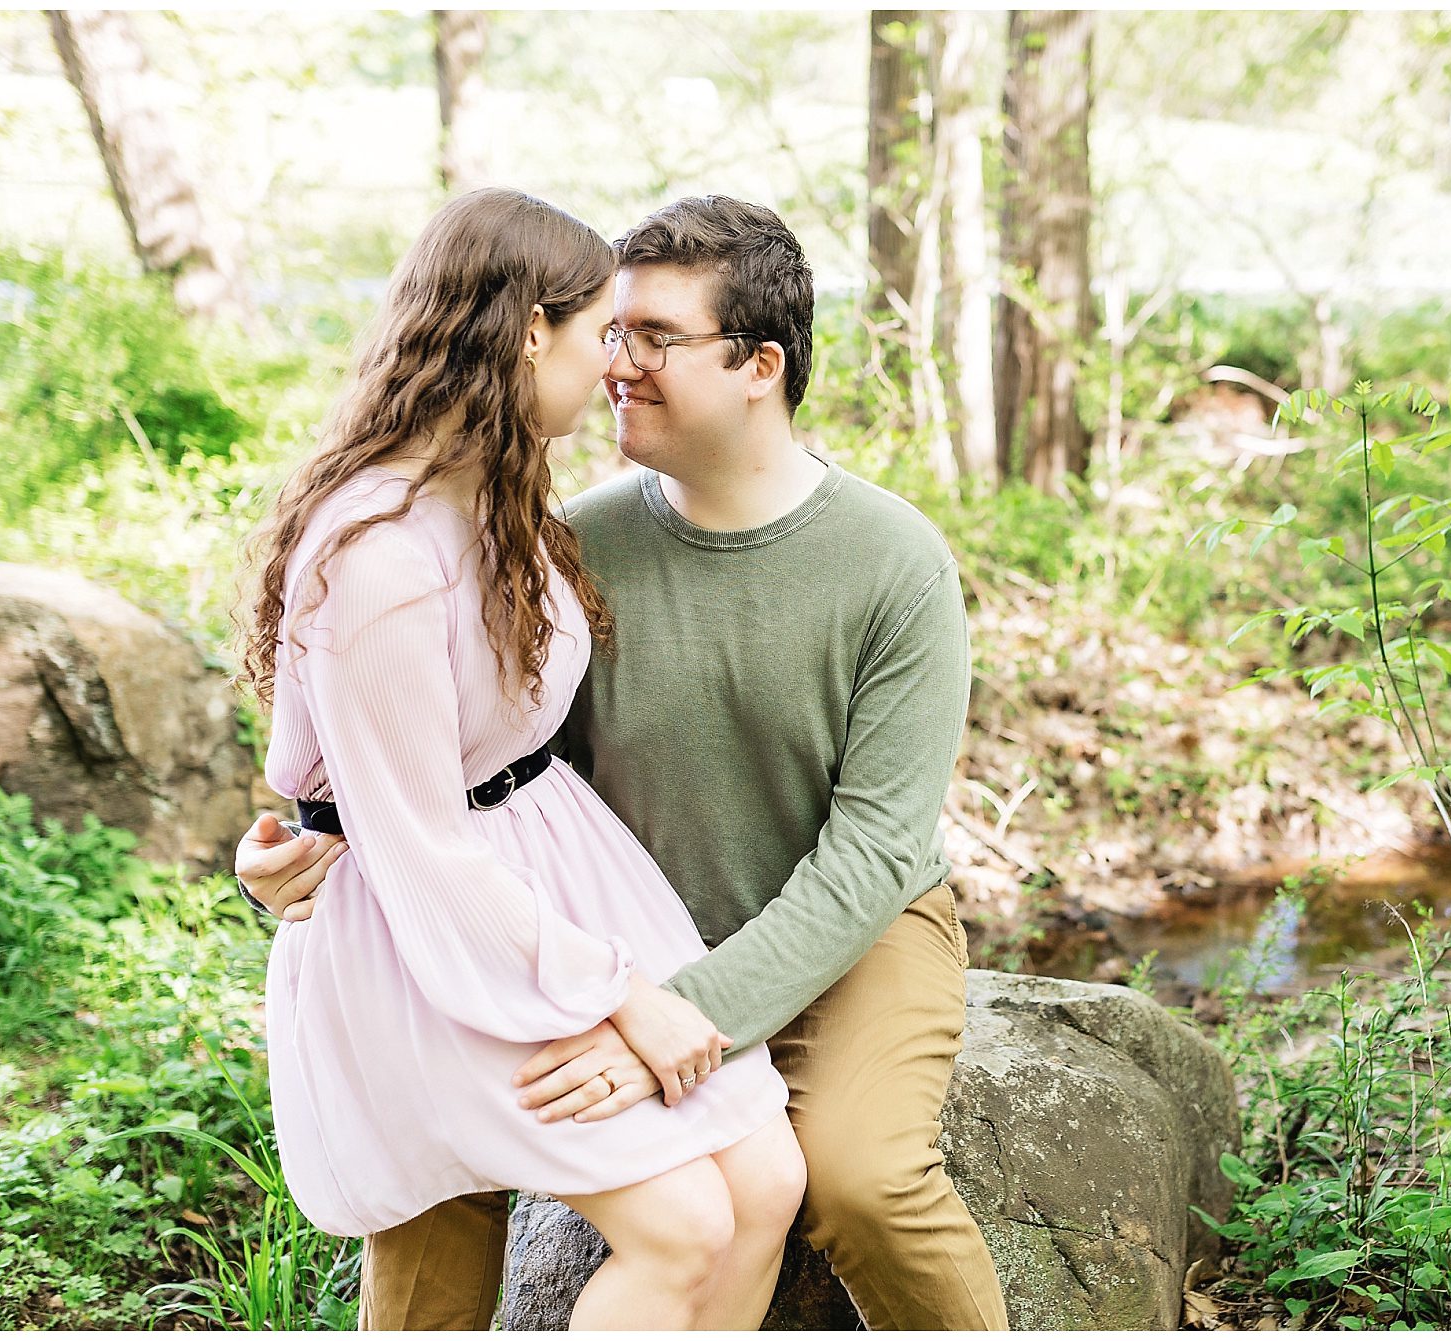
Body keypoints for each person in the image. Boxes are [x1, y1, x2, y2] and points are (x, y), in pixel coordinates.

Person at [238, 194, 1011, 1330]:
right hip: (623, 915)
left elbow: (877, 850)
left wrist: (678, 1012)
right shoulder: (565, 538)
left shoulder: (892, 561)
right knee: (441, 1175)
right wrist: (316, 835)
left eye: (654, 338)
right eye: (612, 330)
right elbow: (450, 758)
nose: (618, 364)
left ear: (758, 365)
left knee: (857, 1179)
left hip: (843, 926)